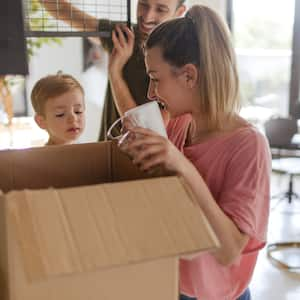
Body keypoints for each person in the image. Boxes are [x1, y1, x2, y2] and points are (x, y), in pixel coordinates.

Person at [120, 5, 270, 300]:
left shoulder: (249, 146)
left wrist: (183, 166)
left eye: (155, 78)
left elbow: (228, 251)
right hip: (173, 285)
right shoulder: (178, 126)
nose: (151, 93)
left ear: (189, 76)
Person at [38, 0, 186, 140]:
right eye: (143, 4)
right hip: (105, 149)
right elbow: (62, 11)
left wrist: (115, 72)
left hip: (138, 160)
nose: (147, 17)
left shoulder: (180, 60)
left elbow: (145, 131)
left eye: (161, 9)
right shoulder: (124, 35)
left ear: (179, 12)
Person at [31, 73, 86, 145]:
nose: (73, 118)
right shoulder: (41, 156)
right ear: (41, 121)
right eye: (60, 114)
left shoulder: (90, 153)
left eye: (78, 111)